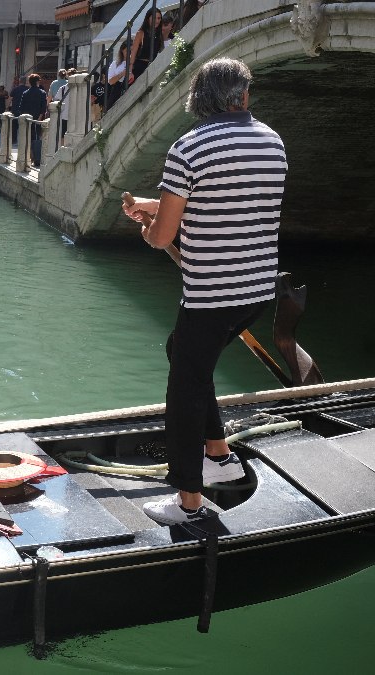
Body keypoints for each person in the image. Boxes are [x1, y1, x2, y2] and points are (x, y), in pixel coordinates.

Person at [122, 58, 286, 525]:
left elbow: (163, 236)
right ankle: (219, 457)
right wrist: (158, 209)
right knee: (186, 353)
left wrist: (151, 226)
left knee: (185, 387)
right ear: (244, 96)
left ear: (198, 99)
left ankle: (187, 501)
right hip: (256, 290)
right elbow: (223, 201)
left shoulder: (189, 148)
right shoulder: (273, 141)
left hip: (212, 293)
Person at [18, 73, 48, 167]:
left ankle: (29, 157)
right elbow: (43, 108)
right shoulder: (42, 93)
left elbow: (21, 108)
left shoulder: (25, 93)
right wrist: (39, 118)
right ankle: (36, 159)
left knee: (28, 138)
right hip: (37, 120)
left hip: (27, 119)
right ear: (37, 82)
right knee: (36, 138)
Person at [130, 8, 164, 81]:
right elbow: (133, 53)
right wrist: (129, 72)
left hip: (152, 67)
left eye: (159, 18)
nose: (157, 21)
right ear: (148, 18)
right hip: (139, 67)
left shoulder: (159, 35)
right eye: (154, 18)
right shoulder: (141, 33)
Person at [106, 42, 129, 112]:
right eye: (127, 51)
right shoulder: (115, 63)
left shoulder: (134, 62)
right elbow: (110, 81)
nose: (129, 53)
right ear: (122, 51)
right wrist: (122, 74)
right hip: (117, 89)